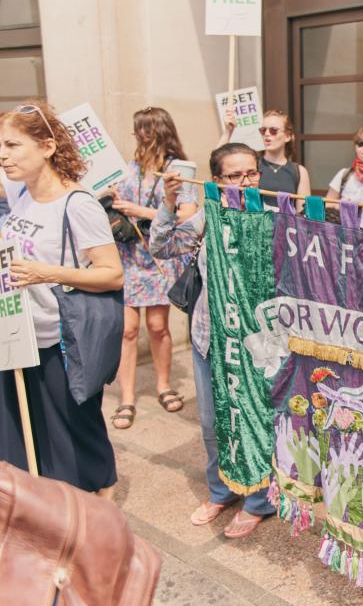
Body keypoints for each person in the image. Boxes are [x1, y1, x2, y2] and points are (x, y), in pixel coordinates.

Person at [150, 143, 273, 539]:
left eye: (251, 173)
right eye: (234, 176)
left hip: (257, 342)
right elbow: (162, 246)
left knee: (256, 420)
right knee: (212, 422)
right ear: (216, 181)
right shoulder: (208, 217)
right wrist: (168, 203)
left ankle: (259, 501)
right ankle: (221, 491)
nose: (245, 182)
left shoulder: (274, 216)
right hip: (209, 339)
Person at [0, 102, 123, 495]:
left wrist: (44, 272)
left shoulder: (77, 204)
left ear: (47, 147)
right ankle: (45, 517)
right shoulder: (20, 191)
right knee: (26, 435)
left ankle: (95, 521)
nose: (3, 155)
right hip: (17, 335)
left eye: (13, 145)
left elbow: (111, 273)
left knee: (75, 440)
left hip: (60, 340)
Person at [109, 106, 198, 428]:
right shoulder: (130, 168)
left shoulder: (178, 169)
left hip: (157, 256)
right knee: (127, 330)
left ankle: (163, 384)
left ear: (156, 131)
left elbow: (187, 214)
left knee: (158, 327)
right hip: (127, 255)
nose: (138, 135)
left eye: (142, 129)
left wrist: (140, 211)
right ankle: (127, 397)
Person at [221, 109, 311, 210]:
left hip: (285, 224)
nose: (267, 134)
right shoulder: (252, 166)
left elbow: (302, 213)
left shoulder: (299, 171)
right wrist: (228, 132)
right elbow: (219, 162)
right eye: (263, 130)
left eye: (273, 130)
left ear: (287, 136)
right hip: (255, 222)